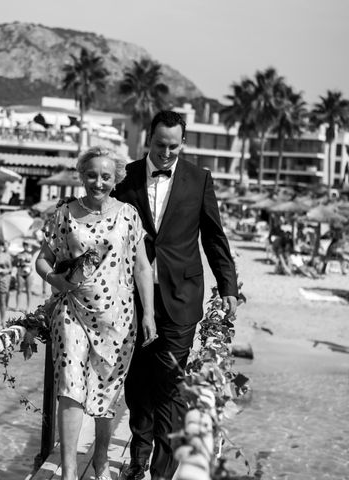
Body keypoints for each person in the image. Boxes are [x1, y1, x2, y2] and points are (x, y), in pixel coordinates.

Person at [113, 110, 238, 480]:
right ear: (148, 140)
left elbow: (214, 237)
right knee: (137, 384)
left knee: (168, 383)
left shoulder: (200, 180)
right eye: (159, 145)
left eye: (173, 146)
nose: (166, 153)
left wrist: (228, 285)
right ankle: (139, 457)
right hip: (132, 298)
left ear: (183, 143)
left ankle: (159, 473)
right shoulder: (125, 177)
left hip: (182, 297)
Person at [35, 146, 156, 480]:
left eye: (105, 176)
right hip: (71, 312)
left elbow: (143, 268)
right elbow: (42, 259)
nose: (98, 182)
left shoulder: (129, 215)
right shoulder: (64, 214)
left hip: (117, 318)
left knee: (107, 390)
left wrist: (148, 315)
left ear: (116, 178)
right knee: (70, 387)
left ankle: (101, 457)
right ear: (82, 175)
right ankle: (70, 471)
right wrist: (54, 279)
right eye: (91, 175)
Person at [13, 241, 35, 312]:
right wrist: (19, 262)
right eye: (25, 245)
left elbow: (38, 247)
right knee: (19, 290)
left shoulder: (31, 253)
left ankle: (28, 307)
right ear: (23, 246)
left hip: (29, 274)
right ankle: (17, 306)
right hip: (20, 273)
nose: (26, 246)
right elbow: (15, 264)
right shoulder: (19, 254)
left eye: (27, 245)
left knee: (28, 291)